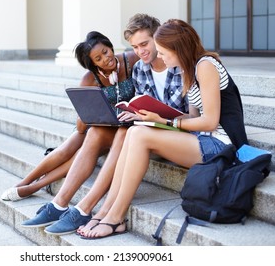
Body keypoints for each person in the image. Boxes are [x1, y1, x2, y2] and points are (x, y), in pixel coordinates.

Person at [80, 18, 248, 239]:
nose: (161, 57)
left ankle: (115, 217)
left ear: (177, 48)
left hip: (223, 146)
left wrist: (166, 122)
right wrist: (155, 118)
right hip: (202, 138)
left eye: (164, 52)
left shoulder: (205, 65)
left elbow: (210, 121)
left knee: (139, 136)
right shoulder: (188, 68)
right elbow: (192, 117)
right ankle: (105, 211)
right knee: (133, 131)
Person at [30, 13, 188, 236]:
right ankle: (60, 204)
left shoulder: (179, 65)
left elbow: (192, 116)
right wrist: (133, 113)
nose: (140, 51)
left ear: (158, 38)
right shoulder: (142, 69)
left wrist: (155, 118)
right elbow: (142, 103)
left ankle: (87, 209)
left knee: (126, 134)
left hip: (171, 133)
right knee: (95, 132)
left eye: (144, 44)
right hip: (147, 130)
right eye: (135, 46)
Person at [19, 31, 140, 226]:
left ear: (110, 46)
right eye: (99, 58)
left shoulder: (132, 59)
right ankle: (58, 204)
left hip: (135, 125)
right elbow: (81, 124)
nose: (106, 58)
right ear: (93, 64)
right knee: (85, 134)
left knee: (81, 143)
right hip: (109, 127)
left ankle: (42, 191)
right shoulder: (90, 79)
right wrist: (89, 110)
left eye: (106, 51)